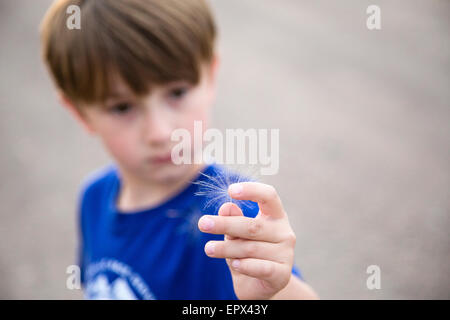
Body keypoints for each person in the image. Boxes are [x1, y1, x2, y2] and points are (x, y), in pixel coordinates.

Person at [40, 0, 318, 299]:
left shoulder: (234, 216)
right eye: (122, 107)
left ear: (210, 76)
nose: (160, 132)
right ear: (80, 114)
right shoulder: (93, 197)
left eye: (176, 93)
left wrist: (274, 290)